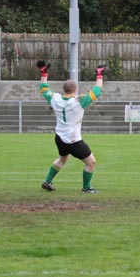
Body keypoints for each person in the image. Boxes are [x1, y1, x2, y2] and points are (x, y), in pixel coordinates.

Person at [37, 60, 105, 193]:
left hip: (59, 138)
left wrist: (44, 72)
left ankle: (47, 181)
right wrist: (99, 75)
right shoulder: (79, 101)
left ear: (64, 89)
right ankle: (86, 188)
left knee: (63, 159)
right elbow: (97, 91)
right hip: (73, 140)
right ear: (75, 90)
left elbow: (44, 88)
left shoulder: (55, 98)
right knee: (91, 163)